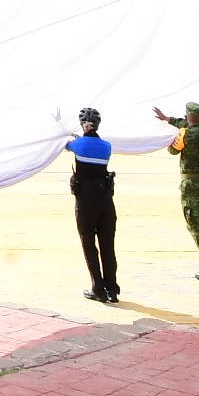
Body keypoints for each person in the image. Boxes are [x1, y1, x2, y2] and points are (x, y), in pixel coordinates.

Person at [153, 102, 199, 282]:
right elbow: (187, 126)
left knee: (196, 225)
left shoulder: (186, 134)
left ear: (187, 117)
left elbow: (172, 150)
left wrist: (175, 126)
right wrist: (169, 119)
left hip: (192, 184)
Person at [63, 107, 118, 303]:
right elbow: (89, 145)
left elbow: (69, 146)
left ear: (82, 125)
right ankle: (112, 289)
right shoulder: (107, 146)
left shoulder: (77, 145)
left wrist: (74, 137)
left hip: (86, 201)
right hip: (105, 200)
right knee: (107, 245)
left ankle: (98, 289)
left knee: (88, 242)